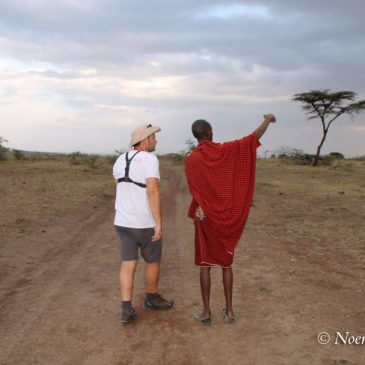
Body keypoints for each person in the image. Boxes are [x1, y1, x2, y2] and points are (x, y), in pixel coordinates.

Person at [185, 114, 276, 325]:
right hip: (226, 218)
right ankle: (229, 312)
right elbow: (252, 139)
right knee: (226, 266)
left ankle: (206, 312)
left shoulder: (191, 159)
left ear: (196, 136)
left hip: (204, 217)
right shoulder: (226, 150)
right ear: (209, 133)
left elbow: (195, 190)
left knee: (205, 265)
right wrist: (266, 120)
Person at [113, 123, 173, 325]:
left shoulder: (119, 160)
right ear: (145, 140)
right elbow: (152, 191)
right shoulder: (149, 159)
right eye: (154, 137)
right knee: (152, 261)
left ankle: (126, 309)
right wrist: (158, 222)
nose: (156, 141)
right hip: (144, 223)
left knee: (128, 263)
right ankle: (151, 298)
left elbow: (120, 188)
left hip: (123, 222)